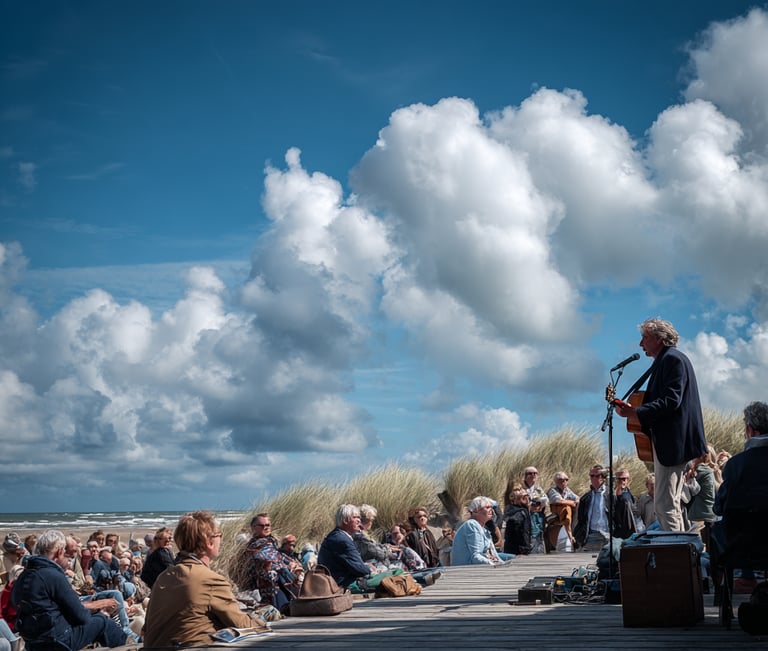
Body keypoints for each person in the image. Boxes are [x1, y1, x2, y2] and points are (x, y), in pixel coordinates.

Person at [614, 317, 707, 531]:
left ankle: (675, 550)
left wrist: (635, 412)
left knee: (665, 504)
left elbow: (671, 400)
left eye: (645, 338)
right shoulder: (669, 359)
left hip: (673, 443)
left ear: (659, 339)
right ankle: (680, 547)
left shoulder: (672, 360)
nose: (641, 343)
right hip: (673, 443)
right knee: (670, 503)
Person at [143, 511, 269, 648]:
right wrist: (262, 621)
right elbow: (244, 625)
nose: (220, 539)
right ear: (209, 542)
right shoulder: (211, 580)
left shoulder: (164, 576)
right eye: (219, 535)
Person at [10, 530, 125, 650]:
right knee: (102, 621)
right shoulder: (53, 575)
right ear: (59, 552)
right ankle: (127, 646)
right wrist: (99, 609)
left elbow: (16, 603)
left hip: (33, 643)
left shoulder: (24, 575)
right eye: (64, 552)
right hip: (58, 641)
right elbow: (81, 616)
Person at [245, 513, 302, 611]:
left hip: (278, 573)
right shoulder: (254, 545)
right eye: (262, 525)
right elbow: (263, 559)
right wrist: (284, 566)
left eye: (268, 525)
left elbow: (278, 555)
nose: (266, 527)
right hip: (266, 576)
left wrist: (291, 563)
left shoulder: (271, 542)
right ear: (254, 528)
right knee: (279, 572)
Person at [317, 504, 379, 589]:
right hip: (342, 583)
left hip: (336, 581)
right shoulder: (341, 540)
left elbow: (353, 564)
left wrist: (364, 565)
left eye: (359, 517)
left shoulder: (337, 535)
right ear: (345, 521)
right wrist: (370, 569)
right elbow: (359, 570)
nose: (359, 521)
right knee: (389, 577)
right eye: (355, 517)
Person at [452, 496, 510, 565]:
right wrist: (494, 564)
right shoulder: (472, 525)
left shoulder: (484, 530)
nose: (491, 510)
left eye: (491, 507)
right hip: (466, 568)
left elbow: (494, 555)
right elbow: (476, 557)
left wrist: (503, 564)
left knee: (513, 559)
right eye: (487, 507)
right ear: (475, 510)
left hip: (479, 567)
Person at [574, 465, 610, 551]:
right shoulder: (586, 498)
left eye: (597, 476)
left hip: (608, 534)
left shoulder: (611, 495)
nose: (594, 478)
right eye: (592, 476)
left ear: (603, 478)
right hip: (592, 535)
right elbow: (581, 520)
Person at [546, 472, 579, 550]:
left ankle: (572, 533)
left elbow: (577, 499)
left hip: (564, 515)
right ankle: (570, 535)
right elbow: (558, 501)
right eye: (561, 480)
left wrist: (574, 502)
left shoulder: (567, 490)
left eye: (566, 480)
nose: (564, 482)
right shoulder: (553, 490)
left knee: (568, 509)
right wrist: (572, 503)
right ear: (556, 481)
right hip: (553, 515)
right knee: (566, 508)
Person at [522, 467, 549, 553]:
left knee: (539, 538)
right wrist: (530, 507)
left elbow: (545, 500)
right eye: (530, 473)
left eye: (535, 473)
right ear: (525, 476)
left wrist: (539, 506)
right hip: (526, 517)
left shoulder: (538, 488)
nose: (533, 475)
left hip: (538, 517)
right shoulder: (521, 488)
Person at [503, 484, 532, 555]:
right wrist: (525, 549)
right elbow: (522, 532)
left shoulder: (510, 509)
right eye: (524, 498)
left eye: (528, 498)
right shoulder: (520, 513)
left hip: (511, 548)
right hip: (518, 550)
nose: (527, 500)